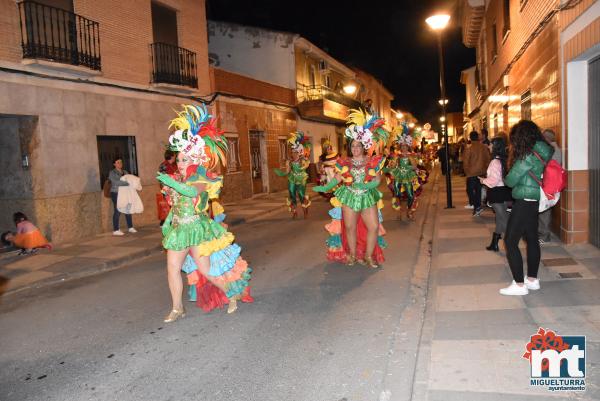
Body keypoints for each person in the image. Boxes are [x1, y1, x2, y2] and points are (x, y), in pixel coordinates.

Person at [157, 104, 253, 322]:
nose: (180, 164)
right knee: (172, 268)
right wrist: (167, 222)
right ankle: (177, 307)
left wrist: (171, 183)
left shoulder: (201, 177)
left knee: (206, 271)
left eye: (185, 159)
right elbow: (176, 205)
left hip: (198, 229)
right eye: (179, 160)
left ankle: (231, 295)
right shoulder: (177, 180)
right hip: (180, 230)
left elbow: (191, 192)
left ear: (194, 159)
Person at [314, 108, 388, 268]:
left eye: (358, 146)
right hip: (349, 196)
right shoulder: (344, 162)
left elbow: (377, 180)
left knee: (373, 227)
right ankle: (352, 255)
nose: (355, 148)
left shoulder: (372, 161)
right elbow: (338, 178)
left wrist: (366, 185)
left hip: (367, 195)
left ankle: (368, 256)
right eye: (352, 146)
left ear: (363, 147)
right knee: (349, 227)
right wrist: (325, 187)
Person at [500, 120, 553, 296]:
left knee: (510, 240)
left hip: (524, 200)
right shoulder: (544, 150)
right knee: (531, 238)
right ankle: (532, 279)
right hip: (535, 199)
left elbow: (510, 180)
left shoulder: (528, 155)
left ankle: (519, 284)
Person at [480, 135, 512, 251]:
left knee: (503, 219)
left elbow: (493, 181)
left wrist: (483, 180)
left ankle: (511, 244)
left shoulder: (494, 162)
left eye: (491, 144)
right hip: (504, 192)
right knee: (500, 218)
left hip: (496, 193)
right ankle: (494, 243)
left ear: (496, 147)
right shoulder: (505, 160)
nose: (489, 146)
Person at [384, 123, 422, 220]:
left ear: (408, 147)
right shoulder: (397, 156)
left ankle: (409, 212)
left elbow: (414, 166)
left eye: (405, 146)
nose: (404, 147)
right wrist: (388, 163)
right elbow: (393, 165)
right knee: (397, 195)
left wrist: (408, 168)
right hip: (398, 177)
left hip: (408, 177)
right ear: (400, 147)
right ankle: (399, 212)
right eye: (402, 146)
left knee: (410, 195)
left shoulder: (411, 156)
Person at [274, 131, 312, 218]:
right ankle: (294, 211)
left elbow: (305, 166)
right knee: (291, 193)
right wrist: (282, 173)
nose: (293, 154)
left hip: (301, 178)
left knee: (301, 195)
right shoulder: (289, 161)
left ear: (299, 152)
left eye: (295, 152)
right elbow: (288, 171)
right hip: (292, 178)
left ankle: (305, 209)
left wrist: (302, 166)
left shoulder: (303, 160)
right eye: (292, 152)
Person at [538, 129, 562, 244]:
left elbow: (551, 168)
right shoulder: (554, 149)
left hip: (550, 184)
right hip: (549, 183)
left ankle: (544, 235)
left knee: (545, 209)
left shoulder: (554, 150)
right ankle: (542, 233)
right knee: (543, 208)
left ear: (547, 138)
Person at [462, 131, 491, 215]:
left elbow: (466, 162)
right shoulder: (484, 147)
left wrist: (467, 172)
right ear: (478, 137)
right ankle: (477, 207)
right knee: (478, 190)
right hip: (481, 172)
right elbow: (488, 159)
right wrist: (485, 170)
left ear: (470, 138)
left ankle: (476, 206)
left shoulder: (469, 148)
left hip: (471, 173)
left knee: (470, 190)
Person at [109, 157, 136, 236]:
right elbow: (116, 182)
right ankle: (116, 229)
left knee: (128, 209)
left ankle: (130, 227)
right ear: (114, 164)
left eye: (121, 162)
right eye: (118, 162)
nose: (120, 164)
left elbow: (131, 180)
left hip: (125, 193)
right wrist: (127, 183)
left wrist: (129, 182)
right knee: (118, 210)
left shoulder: (125, 171)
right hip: (116, 193)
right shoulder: (112, 172)